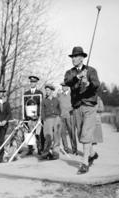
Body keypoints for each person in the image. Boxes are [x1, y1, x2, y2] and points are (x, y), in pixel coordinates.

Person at [64, 46, 100, 174]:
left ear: (81, 58)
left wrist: (88, 83)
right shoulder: (70, 72)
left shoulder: (91, 71)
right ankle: (92, 153)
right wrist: (78, 77)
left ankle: (85, 163)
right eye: (72, 57)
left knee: (86, 133)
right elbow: (67, 81)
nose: (73, 59)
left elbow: (97, 85)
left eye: (75, 57)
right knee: (81, 135)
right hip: (77, 106)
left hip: (89, 105)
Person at [23, 76, 45, 155]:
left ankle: (39, 148)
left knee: (38, 133)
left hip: (37, 117)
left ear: (36, 83)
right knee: (29, 133)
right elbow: (24, 105)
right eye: (31, 82)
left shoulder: (39, 93)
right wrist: (26, 116)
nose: (32, 83)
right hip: (29, 117)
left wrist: (38, 115)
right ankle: (30, 149)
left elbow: (41, 105)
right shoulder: (26, 94)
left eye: (34, 82)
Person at [41, 84, 61, 160]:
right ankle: (45, 153)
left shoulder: (56, 100)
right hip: (47, 119)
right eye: (46, 90)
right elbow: (42, 111)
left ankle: (55, 153)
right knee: (48, 136)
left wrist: (59, 116)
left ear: (52, 91)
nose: (46, 91)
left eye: (48, 90)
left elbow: (59, 108)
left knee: (56, 136)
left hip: (56, 118)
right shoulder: (44, 100)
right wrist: (44, 119)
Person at [58, 82, 78, 155]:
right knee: (62, 133)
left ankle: (74, 149)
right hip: (62, 117)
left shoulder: (72, 95)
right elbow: (58, 105)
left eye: (64, 86)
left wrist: (71, 109)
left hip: (70, 116)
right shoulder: (60, 95)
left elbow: (75, 104)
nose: (62, 87)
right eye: (62, 86)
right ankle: (66, 148)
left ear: (68, 87)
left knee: (72, 133)